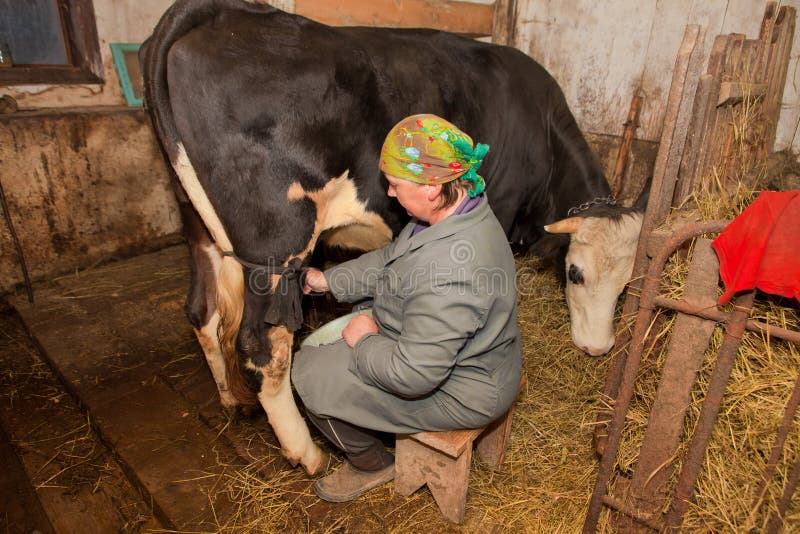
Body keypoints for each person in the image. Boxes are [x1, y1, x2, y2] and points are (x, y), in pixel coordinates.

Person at [292, 113, 522, 502]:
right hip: (476, 357)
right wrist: (330, 281)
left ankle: (372, 463)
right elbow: (391, 260)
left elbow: (415, 375)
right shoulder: (456, 210)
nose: (391, 194)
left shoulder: (453, 271)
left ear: (433, 187)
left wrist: (364, 342)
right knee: (357, 316)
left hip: (462, 390)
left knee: (309, 373)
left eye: (396, 185)